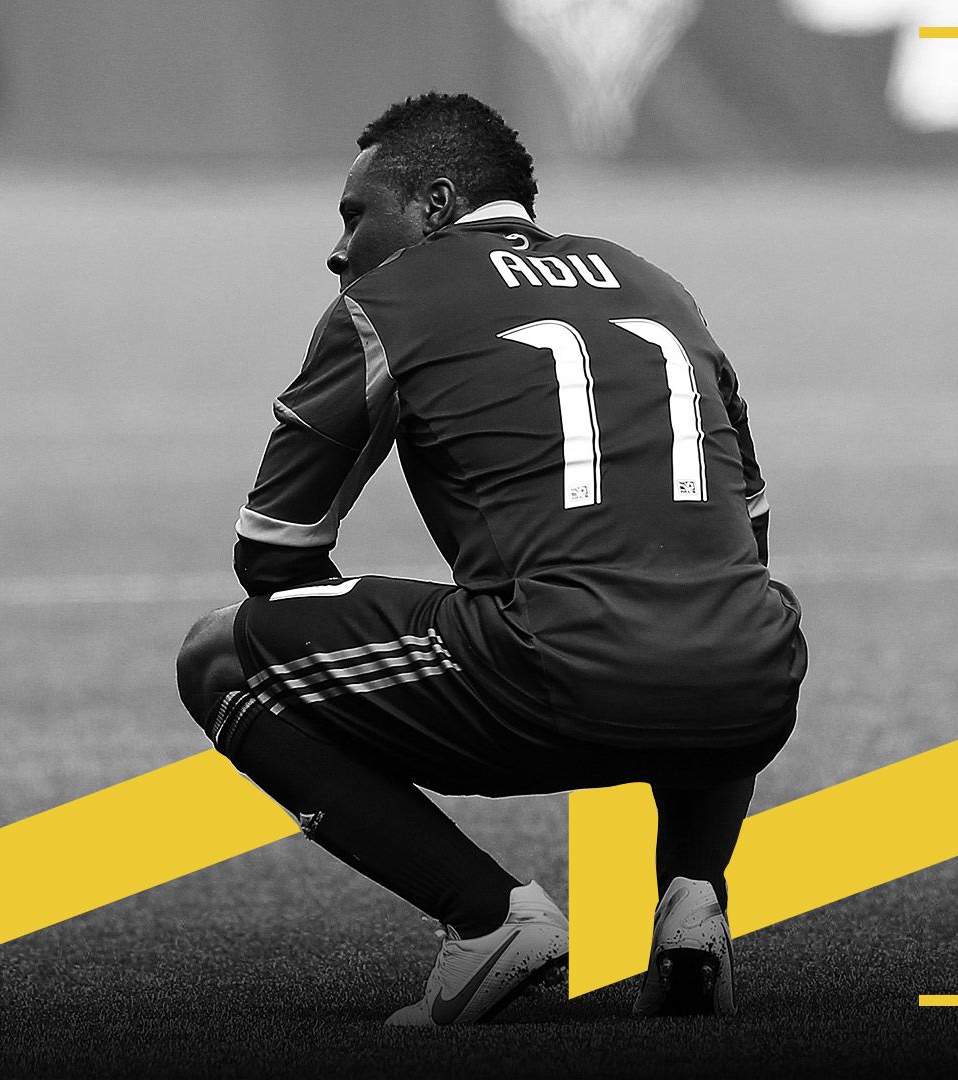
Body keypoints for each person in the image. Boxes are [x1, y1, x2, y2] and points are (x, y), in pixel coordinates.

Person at [176, 92, 806, 1026]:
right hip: (755, 686)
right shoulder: (658, 285)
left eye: (357, 214)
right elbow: (747, 538)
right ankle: (692, 909)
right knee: (706, 604)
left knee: (218, 658)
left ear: (435, 203)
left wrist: (393, 686)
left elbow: (274, 552)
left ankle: (488, 921)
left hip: (550, 671)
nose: (340, 250)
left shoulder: (386, 302)